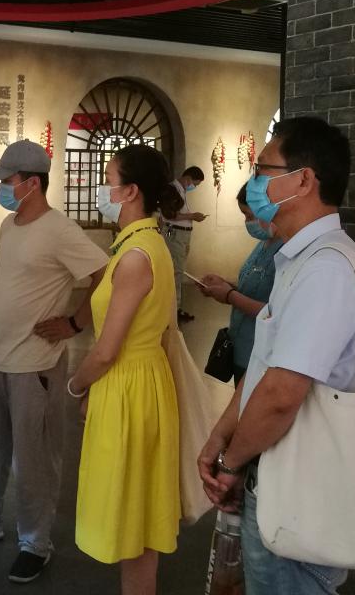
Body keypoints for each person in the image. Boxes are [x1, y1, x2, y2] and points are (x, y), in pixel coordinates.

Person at [198, 116, 355, 595]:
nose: (254, 181)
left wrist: (231, 464)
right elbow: (265, 366)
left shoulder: (327, 270)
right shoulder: (300, 261)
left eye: (263, 169)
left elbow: (280, 394)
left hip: (302, 491)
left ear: (303, 180)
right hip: (281, 478)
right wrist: (221, 435)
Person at [0, 139, 108, 585]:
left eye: (8, 180)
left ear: (32, 184)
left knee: (34, 458)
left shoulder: (60, 230)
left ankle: (35, 542)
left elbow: (105, 275)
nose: (3, 187)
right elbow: (1, 273)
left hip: (35, 363)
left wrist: (74, 323)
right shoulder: (9, 224)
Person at [68, 144, 182, 594]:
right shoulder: (148, 244)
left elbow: (106, 351)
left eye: (108, 180)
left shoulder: (136, 255)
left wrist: (77, 385)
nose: (103, 190)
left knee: (130, 511)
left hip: (128, 386)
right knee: (140, 517)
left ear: (130, 191)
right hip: (144, 379)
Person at [197, 182, 283, 381]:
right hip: (240, 347)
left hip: (260, 354)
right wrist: (223, 285)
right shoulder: (263, 245)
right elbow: (254, 287)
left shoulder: (286, 251)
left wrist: (229, 296)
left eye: (250, 216)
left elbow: (274, 311)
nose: (247, 222)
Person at [160, 166, 206, 323]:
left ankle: (174, 308)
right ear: (188, 178)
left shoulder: (180, 190)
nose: (194, 187)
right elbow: (169, 215)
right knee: (176, 272)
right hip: (175, 235)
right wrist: (192, 216)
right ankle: (172, 310)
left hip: (181, 235)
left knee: (178, 271)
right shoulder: (171, 190)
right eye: (195, 184)